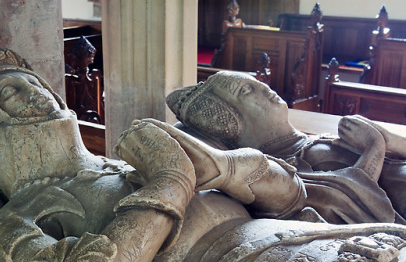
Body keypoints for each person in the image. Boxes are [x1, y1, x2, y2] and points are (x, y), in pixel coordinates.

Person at [0, 46, 406, 262]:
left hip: (334, 243)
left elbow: (293, 197)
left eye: (30, 80)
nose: (33, 93)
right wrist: (172, 179)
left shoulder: (119, 161)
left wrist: (226, 167)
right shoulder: (10, 223)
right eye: (7, 94)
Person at [159, 70, 406, 226]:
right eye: (247, 90)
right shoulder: (285, 168)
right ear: (230, 123)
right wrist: (376, 145)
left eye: (256, 82)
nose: (264, 88)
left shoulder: (311, 140)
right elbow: (348, 207)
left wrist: (392, 140)